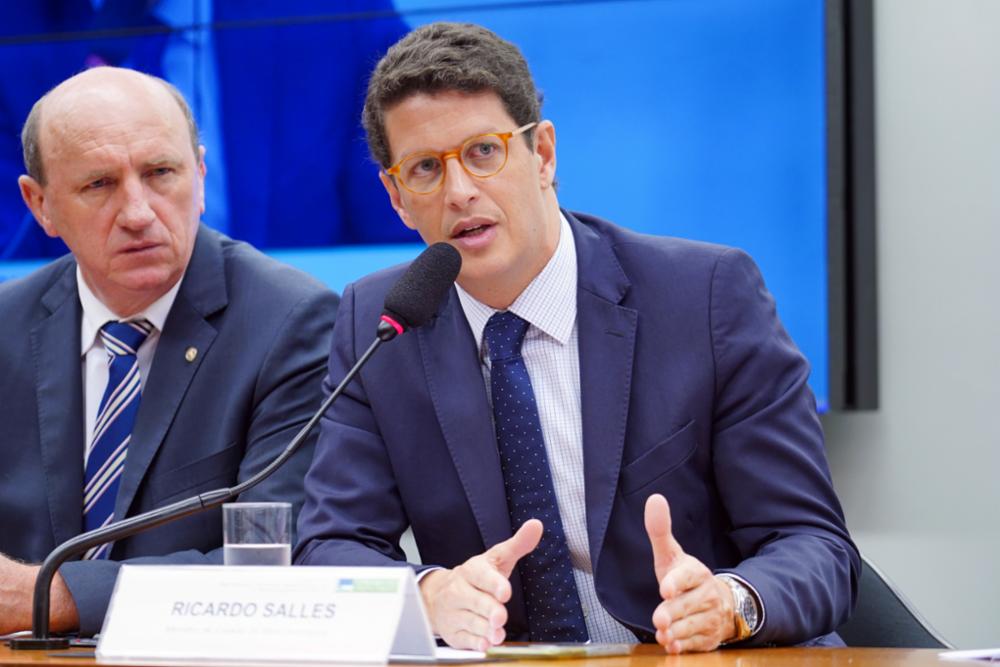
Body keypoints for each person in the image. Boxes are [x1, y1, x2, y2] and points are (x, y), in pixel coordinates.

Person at [295, 22, 858, 653]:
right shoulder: (379, 324)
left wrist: (729, 603)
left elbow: (815, 546)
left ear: (543, 155)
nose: (459, 192)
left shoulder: (705, 295)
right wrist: (426, 596)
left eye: (484, 151)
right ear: (397, 197)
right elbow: (329, 548)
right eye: (426, 168)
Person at [0, 66, 338, 636]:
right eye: (98, 185)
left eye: (160, 173)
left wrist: (52, 597)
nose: (137, 212)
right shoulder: (7, 326)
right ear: (41, 206)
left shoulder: (292, 323)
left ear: (201, 175)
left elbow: (277, 567)